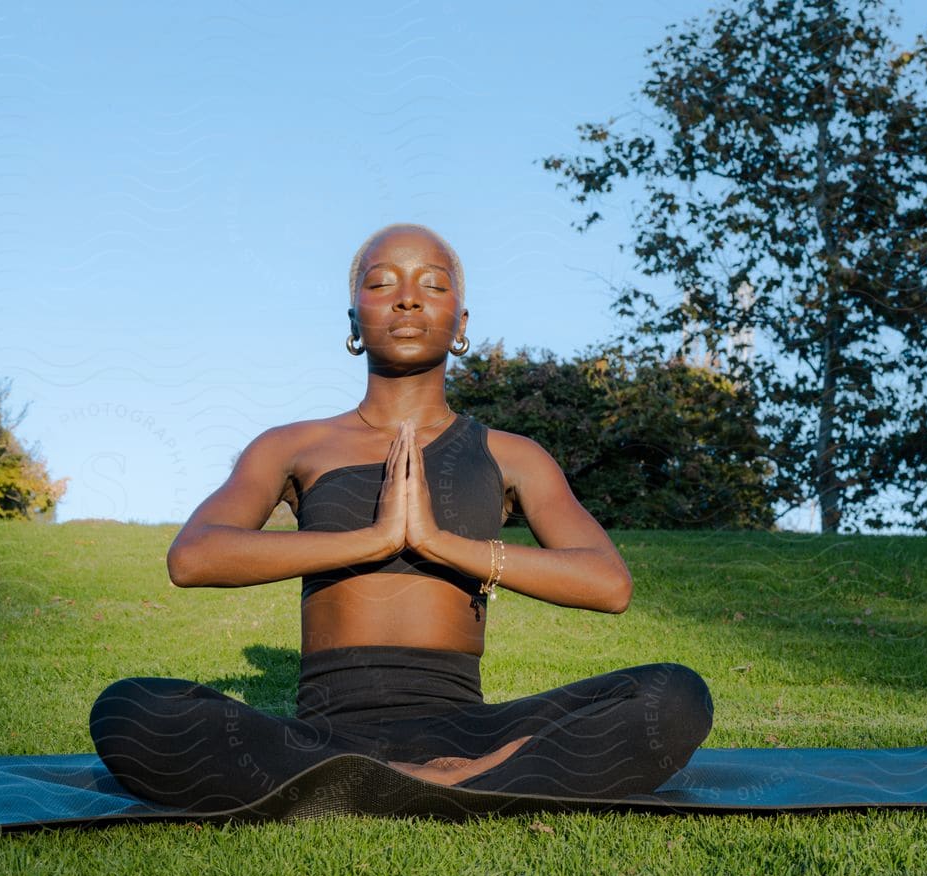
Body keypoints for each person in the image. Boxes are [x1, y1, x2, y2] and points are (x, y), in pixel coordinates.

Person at [89, 223, 713, 814]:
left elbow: (608, 583)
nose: (408, 301)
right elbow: (192, 557)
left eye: (433, 286)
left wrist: (442, 545)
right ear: (354, 321)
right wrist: (371, 540)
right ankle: (470, 787)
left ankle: (381, 786)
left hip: (468, 731)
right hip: (325, 735)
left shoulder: (511, 455)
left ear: (460, 323)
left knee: (674, 697)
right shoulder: (292, 446)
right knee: (130, 708)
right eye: (383, 283)